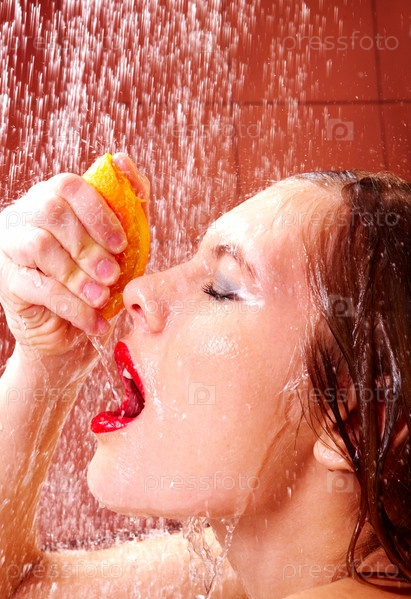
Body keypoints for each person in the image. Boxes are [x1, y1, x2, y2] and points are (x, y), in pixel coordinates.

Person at [0, 154, 409, 599]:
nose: (139, 289)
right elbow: (21, 586)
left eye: (223, 288)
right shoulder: (273, 564)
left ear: (354, 420)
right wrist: (46, 359)